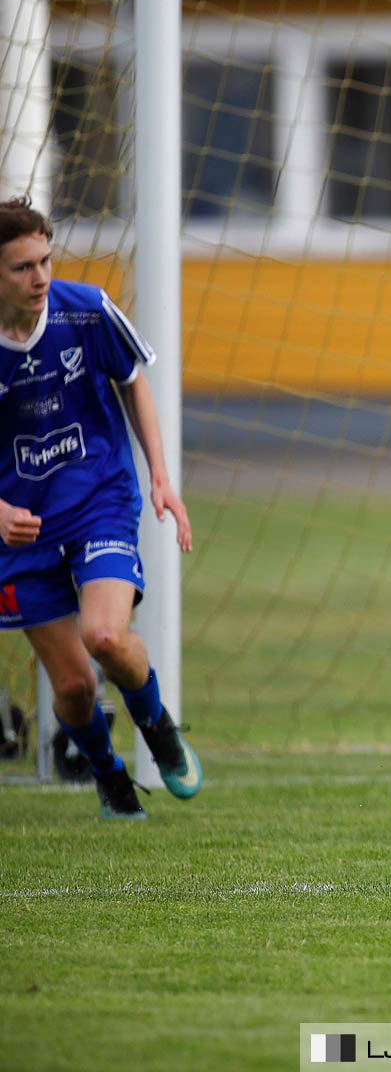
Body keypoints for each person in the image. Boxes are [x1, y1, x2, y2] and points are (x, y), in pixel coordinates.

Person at [0, 197, 198, 819]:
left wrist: (162, 478)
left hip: (98, 501)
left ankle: (160, 730)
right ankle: (108, 774)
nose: (40, 278)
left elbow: (132, 379)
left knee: (106, 635)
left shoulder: (86, 312)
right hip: (21, 533)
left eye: (46, 260)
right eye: (22, 268)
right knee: (76, 688)